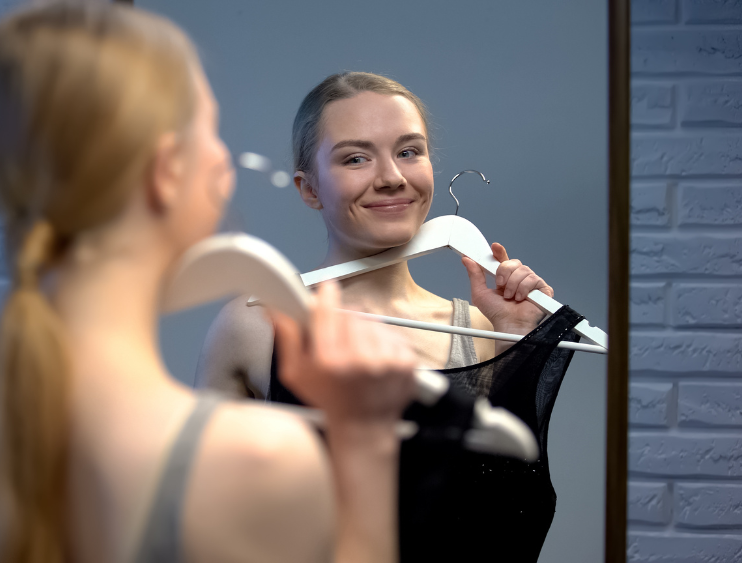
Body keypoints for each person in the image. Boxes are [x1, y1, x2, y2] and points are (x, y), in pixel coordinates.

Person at [0, 8, 418, 563]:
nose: (226, 161)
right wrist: (364, 446)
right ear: (167, 172)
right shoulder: (258, 461)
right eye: (212, 132)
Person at [196, 71, 555, 399]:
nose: (392, 177)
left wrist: (516, 340)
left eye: (408, 152)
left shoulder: (484, 330)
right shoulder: (253, 326)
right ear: (310, 189)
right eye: (355, 158)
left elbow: (504, 467)